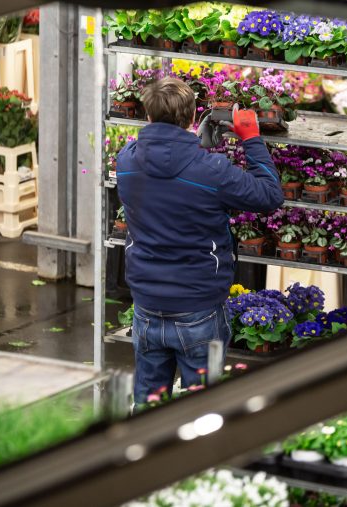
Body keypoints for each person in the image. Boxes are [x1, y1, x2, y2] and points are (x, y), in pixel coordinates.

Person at [116, 76, 284, 404]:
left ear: (147, 117)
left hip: (146, 306)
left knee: (148, 405)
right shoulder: (212, 171)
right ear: (194, 118)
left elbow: (169, 170)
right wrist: (251, 140)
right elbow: (270, 195)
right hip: (198, 308)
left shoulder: (127, 161)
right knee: (202, 411)